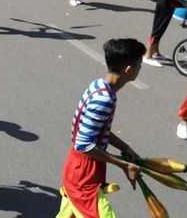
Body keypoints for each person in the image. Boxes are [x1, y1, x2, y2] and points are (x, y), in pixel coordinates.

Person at [55, 38, 144, 218]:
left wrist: (125, 148)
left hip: (79, 167)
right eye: (139, 64)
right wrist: (123, 165)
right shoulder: (104, 99)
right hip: (84, 173)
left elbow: (97, 130)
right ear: (128, 69)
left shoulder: (99, 85)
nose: (140, 68)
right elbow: (83, 144)